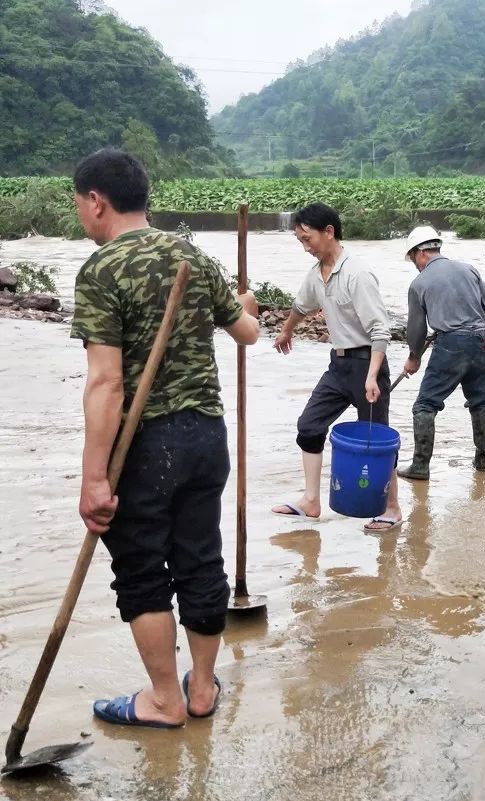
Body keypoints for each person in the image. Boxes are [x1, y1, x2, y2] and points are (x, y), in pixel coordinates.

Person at [71, 148, 260, 727]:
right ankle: (202, 689)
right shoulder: (194, 257)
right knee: (201, 562)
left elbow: (106, 385)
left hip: (145, 445)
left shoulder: (101, 270)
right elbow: (248, 332)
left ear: (96, 202)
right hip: (206, 436)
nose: (81, 213)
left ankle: (166, 701)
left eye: (79, 204)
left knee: (141, 570)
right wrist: (244, 307)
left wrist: (94, 478)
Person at [270, 203, 403, 533]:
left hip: (367, 366)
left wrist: (373, 375)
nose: (305, 247)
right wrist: (287, 330)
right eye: (300, 240)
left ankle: (392, 508)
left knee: (377, 439)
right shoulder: (317, 275)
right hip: (339, 366)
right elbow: (301, 306)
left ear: (329, 232)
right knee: (309, 425)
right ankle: (311, 501)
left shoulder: (357, 274)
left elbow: (380, 330)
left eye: (308, 238)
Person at [398, 226, 485, 479]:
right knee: (480, 401)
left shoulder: (419, 283)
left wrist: (414, 357)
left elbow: (416, 329)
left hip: (451, 345)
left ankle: (420, 466)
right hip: (482, 341)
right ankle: (482, 461)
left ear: (420, 252)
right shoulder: (468, 269)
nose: (415, 264)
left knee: (424, 406)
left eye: (413, 258)